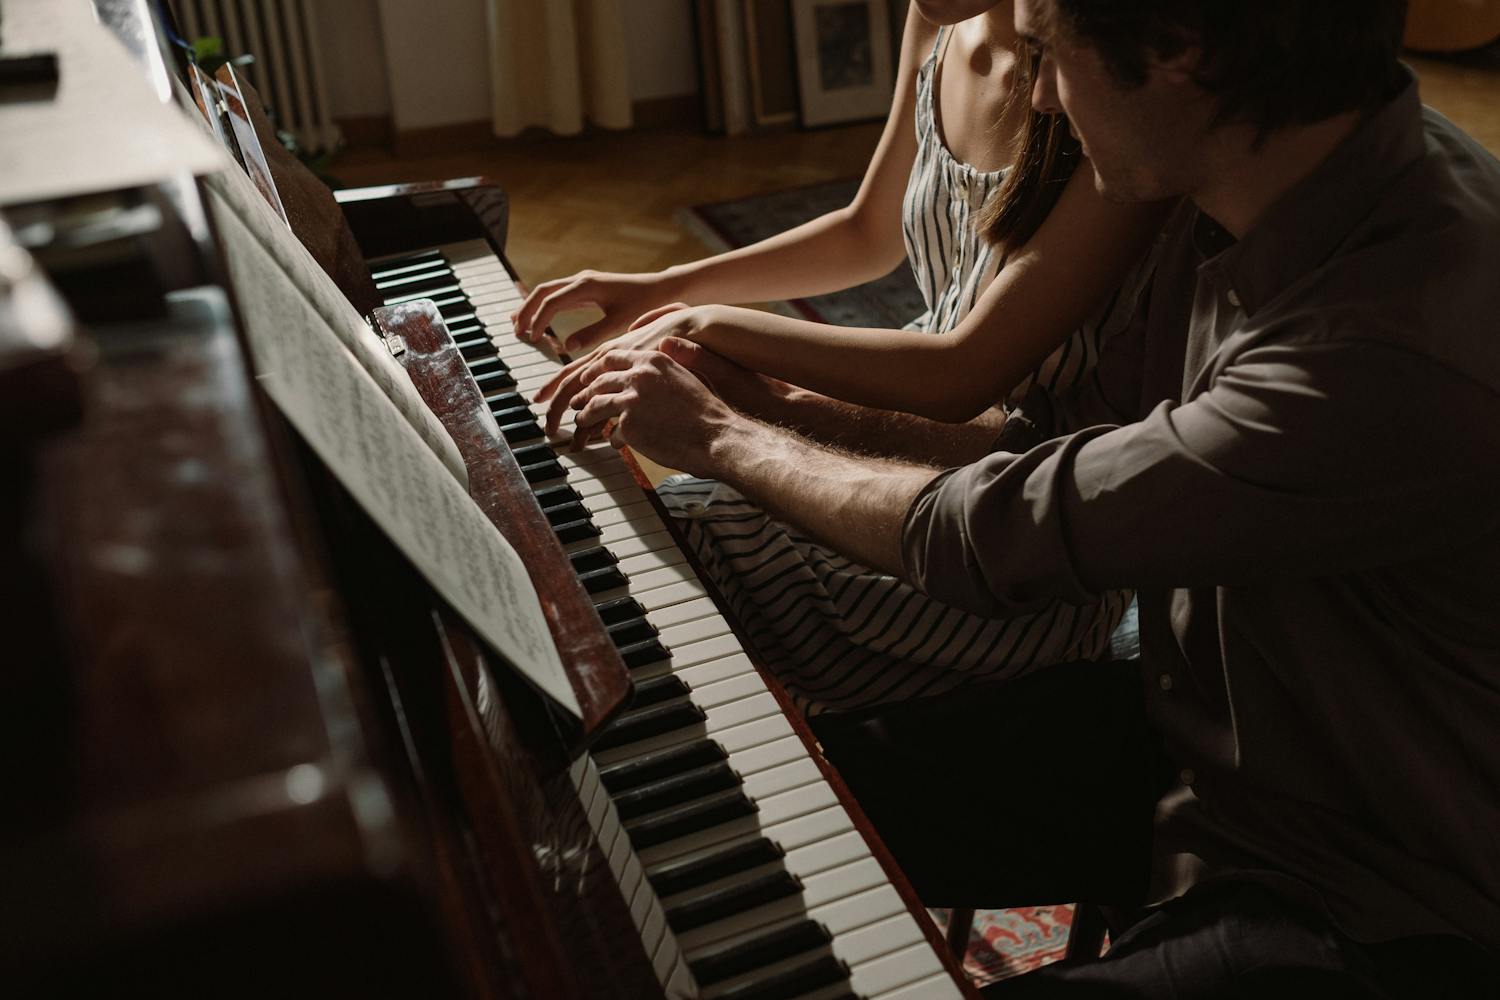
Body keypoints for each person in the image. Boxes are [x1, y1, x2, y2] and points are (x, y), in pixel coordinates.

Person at [558, 0, 1500, 993]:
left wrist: (721, 435)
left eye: (1050, 54)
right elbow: (1044, 440)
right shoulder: (1257, 185)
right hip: (1207, 744)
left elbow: (994, 535)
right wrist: (771, 398)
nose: (1039, 92)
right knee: (727, 819)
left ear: (1177, 48)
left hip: (1384, 888)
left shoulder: (1385, 342)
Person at [514, 0, 1165, 717]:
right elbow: (866, 233)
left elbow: (960, 374)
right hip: (898, 424)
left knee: (673, 552)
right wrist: (665, 286)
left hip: (1010, 528)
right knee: (651, 535)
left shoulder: (1101, 88)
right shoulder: (937, 19)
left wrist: (709, 326)